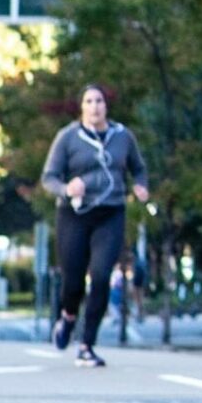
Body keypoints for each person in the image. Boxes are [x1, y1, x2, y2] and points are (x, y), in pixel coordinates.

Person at [39, 86, 148, 369]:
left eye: (99, 101)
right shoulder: (68, 137)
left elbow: (139, 167)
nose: (95, 106)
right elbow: (48, 177)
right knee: (73, 280)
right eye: (89, 101)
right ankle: (68, 316)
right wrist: (66, 188)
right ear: (82, 107)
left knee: (100, 276)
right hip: (74, 214)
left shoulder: (122, 137)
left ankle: (87, 344)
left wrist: (140, 186)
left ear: (106, 106)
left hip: (110, 213)